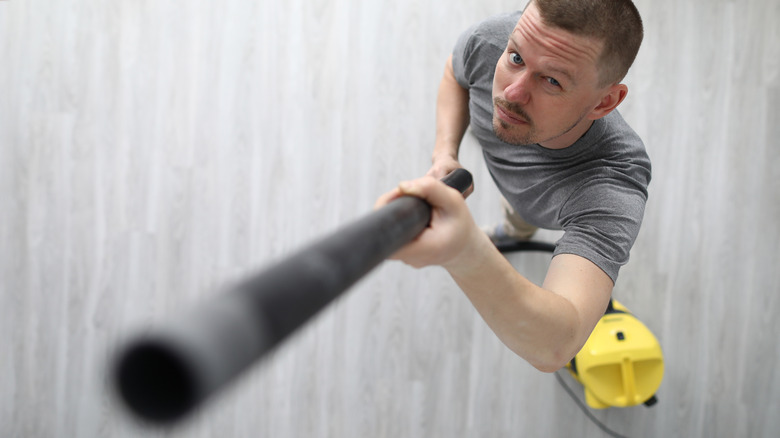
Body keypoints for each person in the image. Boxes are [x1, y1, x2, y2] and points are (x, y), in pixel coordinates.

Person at [375, 0, 650, 372]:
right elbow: (453, 74)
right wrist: (444, 154)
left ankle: (514, 227)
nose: (512, 94)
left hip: (548, 208)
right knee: (516, 214)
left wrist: (464, 252)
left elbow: (556, 345)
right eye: (516, 59)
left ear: (605, 102)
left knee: (523, 215)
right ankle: (512, 228)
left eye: (552, 80)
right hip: (516, 191)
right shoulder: (491, 41)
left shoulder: (614, 179)